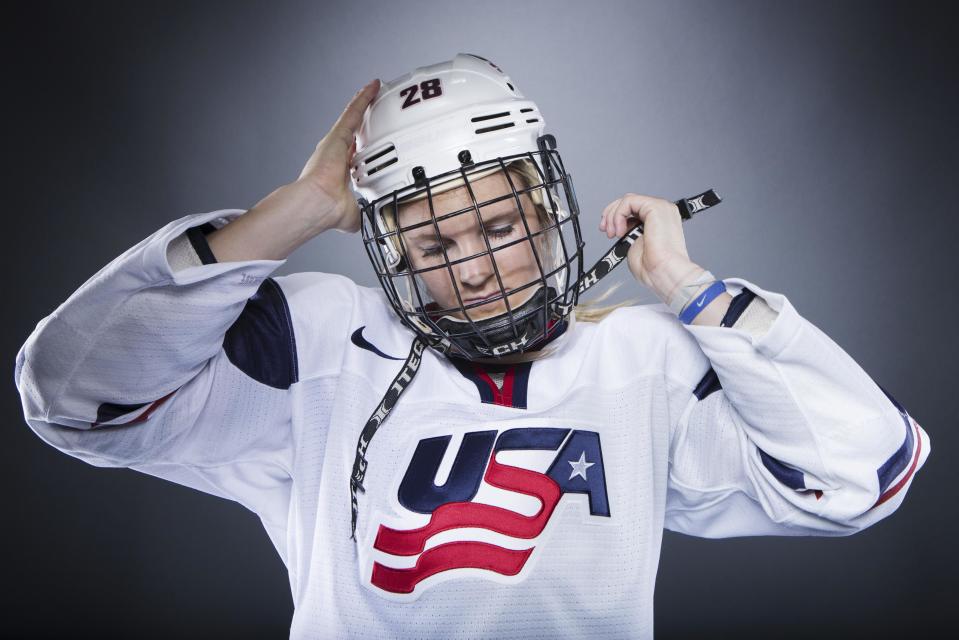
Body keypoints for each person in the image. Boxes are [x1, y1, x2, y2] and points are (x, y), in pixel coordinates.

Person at [14, 53, 930, 639]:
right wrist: (292, 213)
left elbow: (860, 475)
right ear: (392, 257)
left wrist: (691, 292)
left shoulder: (641, 363)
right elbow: (75, 397)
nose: (479, 268)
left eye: (497, 225)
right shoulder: (323, 341)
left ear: (545, 213)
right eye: (435, 246)